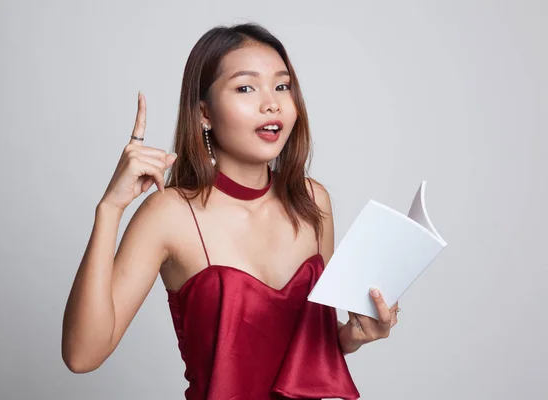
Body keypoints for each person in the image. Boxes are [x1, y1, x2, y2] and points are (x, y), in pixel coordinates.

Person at [61, 22, 400, 399]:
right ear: (204, 112)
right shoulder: (169, 214)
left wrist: (353, 335)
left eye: (282, 86)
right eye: (245, 87)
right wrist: (110, 208)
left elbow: (306, 354)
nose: (271, 102)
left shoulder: (312, 202)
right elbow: (82, 355)